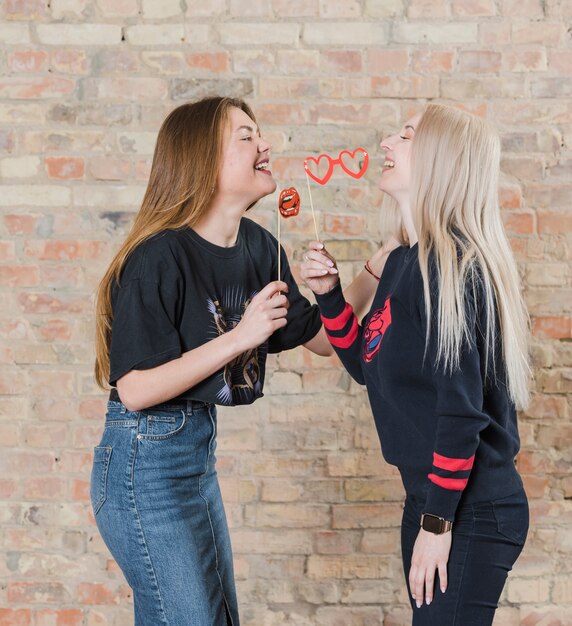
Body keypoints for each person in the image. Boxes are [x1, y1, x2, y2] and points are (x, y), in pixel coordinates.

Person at [90, 96, 392, 626]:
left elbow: (322, 339)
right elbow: (135, 390)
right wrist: (242, 335)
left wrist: (375, 264)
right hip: (144, 464)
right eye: (247, 136)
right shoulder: (158, 256)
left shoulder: (257, 246)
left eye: (261, 134)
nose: (265, 144)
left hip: (192, 455)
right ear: (202, 159)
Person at [302, 103, 531, 625]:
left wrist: (436, 524)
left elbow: (461, 414)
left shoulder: (454, 270)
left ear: (439, 161)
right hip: (430, 500)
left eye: (405, 136)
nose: (387, 142)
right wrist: (331, 297)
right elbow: (368, 364)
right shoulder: (405, 261)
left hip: (468, 509)